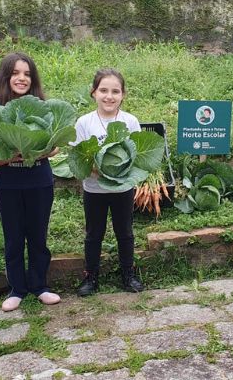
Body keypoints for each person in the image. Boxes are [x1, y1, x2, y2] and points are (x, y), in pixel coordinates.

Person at [0, 53, 61, 312]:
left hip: (39, 181)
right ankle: (16, 289)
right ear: (6, 77)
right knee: (13, 238)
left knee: (38, 237)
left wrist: (38, 152)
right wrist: (12, 155)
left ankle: (40, 286)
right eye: (15, 73)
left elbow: (54, 147)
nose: (21, 78)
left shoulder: (45, 107)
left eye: (27, 74)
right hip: (8, 184)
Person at [73, 68, 144, 296]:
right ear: (93, 93)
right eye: (103, 90)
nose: (109, 96)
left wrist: (117, 174)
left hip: (123, 187)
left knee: (125, 232)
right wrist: (98, 171)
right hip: (94, 189)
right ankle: (91, 277)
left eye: (115, 91)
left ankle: (128, 274)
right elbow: (78, 157)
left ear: (123, 95)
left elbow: (137, 156)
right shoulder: (84, 122)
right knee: (94, 234)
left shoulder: (130, 121)